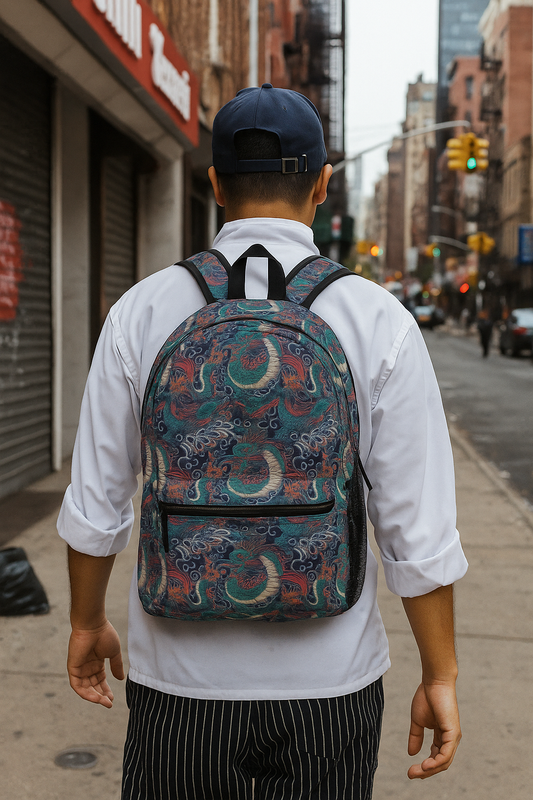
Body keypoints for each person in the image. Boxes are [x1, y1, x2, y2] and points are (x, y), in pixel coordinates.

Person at [58, 84, 468, 800]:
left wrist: (86, 620)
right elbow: (416, 528)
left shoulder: (141, 311)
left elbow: (96, 505)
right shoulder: (377, 320)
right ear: (322, 184)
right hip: (331, 684)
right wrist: (439, 674)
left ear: (213, 183)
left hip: (178, 681)